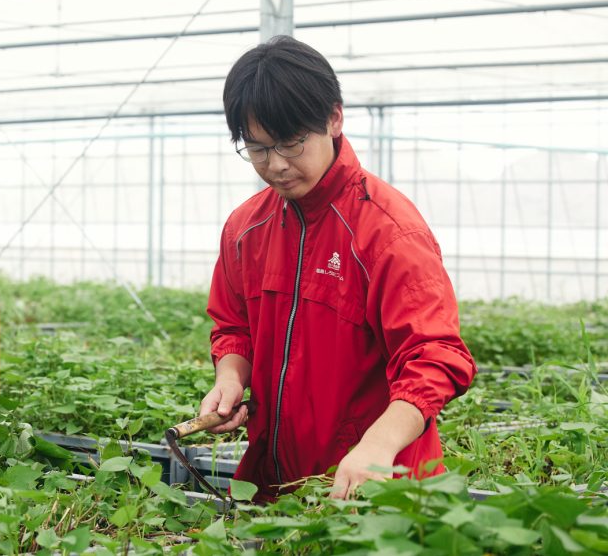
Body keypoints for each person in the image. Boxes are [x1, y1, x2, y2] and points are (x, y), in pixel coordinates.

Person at [200, 35, 477, 502]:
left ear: (333, 118)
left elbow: (435, 355)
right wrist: (230, 379)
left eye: (291, 143)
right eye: (258, 149)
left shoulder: (388, 232)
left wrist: (380, 443)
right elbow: (234, 326)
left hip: (380, 490)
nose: (276, 165)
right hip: (279, 485)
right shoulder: (246, 229)